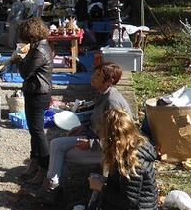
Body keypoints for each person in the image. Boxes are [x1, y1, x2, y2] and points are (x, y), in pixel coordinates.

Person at [61, 109, 158, 210]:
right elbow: (123, 186)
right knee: (73, 209)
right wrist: (104, 180)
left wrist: (101, 186)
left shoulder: (132, 162)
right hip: (129, 206)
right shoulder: (128, 149)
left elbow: (128, 201)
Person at [43, 63, 132, 195]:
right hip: (96, 139)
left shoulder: (112, 102)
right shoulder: (103, 94)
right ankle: (54, 185)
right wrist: (83, 128)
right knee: (56, 144)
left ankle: (53, 189)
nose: (92, 78)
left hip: (109, 151)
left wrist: (91, 144)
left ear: (109, 81)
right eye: (94, 74)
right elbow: (98, 122)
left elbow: (119, 138)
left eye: (97, 76)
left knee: (60, 153)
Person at [11, 18, 52, 185]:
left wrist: (18, 59)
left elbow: (25, 72)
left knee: (38, 132)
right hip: (35, 91)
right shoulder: (40, 47)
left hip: (38, 93)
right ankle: (35, 162)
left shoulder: (39, 51)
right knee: (34, 131)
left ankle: (44, 168)